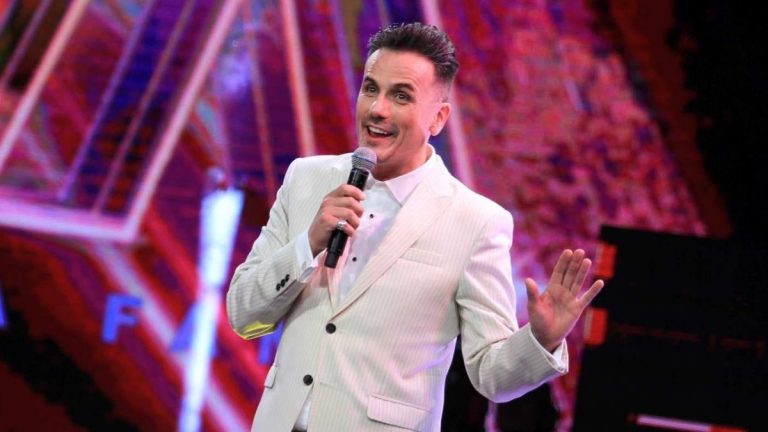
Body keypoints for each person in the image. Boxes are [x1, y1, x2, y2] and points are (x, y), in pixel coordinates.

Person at [226, 22, 604, 432]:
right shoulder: (306, 178)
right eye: (371, 88)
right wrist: (307, 244)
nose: (377, 109)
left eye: (401, 96)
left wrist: (541, 340)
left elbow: (490, 374)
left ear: (438, 119)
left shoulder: (475, 221)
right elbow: (244, 315)